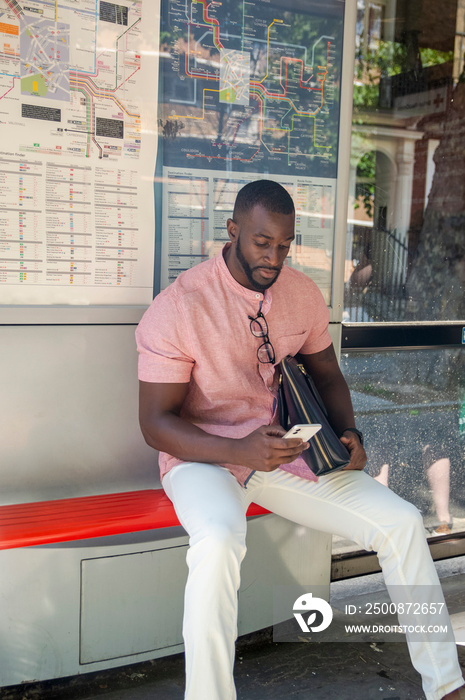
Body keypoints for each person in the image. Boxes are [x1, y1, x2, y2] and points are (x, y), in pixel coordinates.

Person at [136, 180, 464, 700]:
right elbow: (155, 423)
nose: (274, 257)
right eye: (262, 243)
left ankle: (446, 686)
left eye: (285, 245)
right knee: (219, 541)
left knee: (401, 521)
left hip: (285, 454)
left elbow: (328, 375)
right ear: (233, 231)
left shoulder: (301, 293)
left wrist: (350, 433)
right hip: (204, 456)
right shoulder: (180, 305)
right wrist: (238, 451)